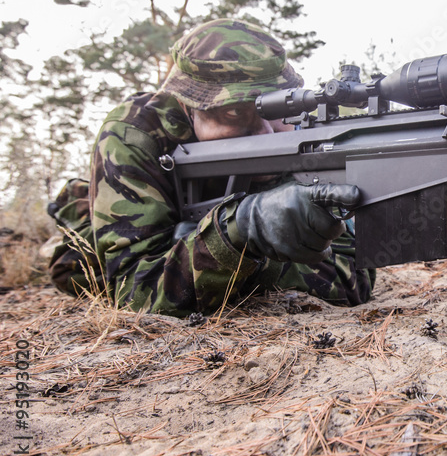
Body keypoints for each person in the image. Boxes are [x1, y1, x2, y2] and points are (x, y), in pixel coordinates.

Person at [47, 18, 375, 316]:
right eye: (234, 113)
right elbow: (136, 291)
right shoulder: (134, 132)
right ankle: (76, 203)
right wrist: (242, 232)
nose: (265, 133)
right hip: (151, 208)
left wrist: (250, 246)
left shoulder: (302, 138)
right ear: (187, 107)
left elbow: (352, 282)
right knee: (71, 266)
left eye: (278, 106)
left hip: (194, 236)